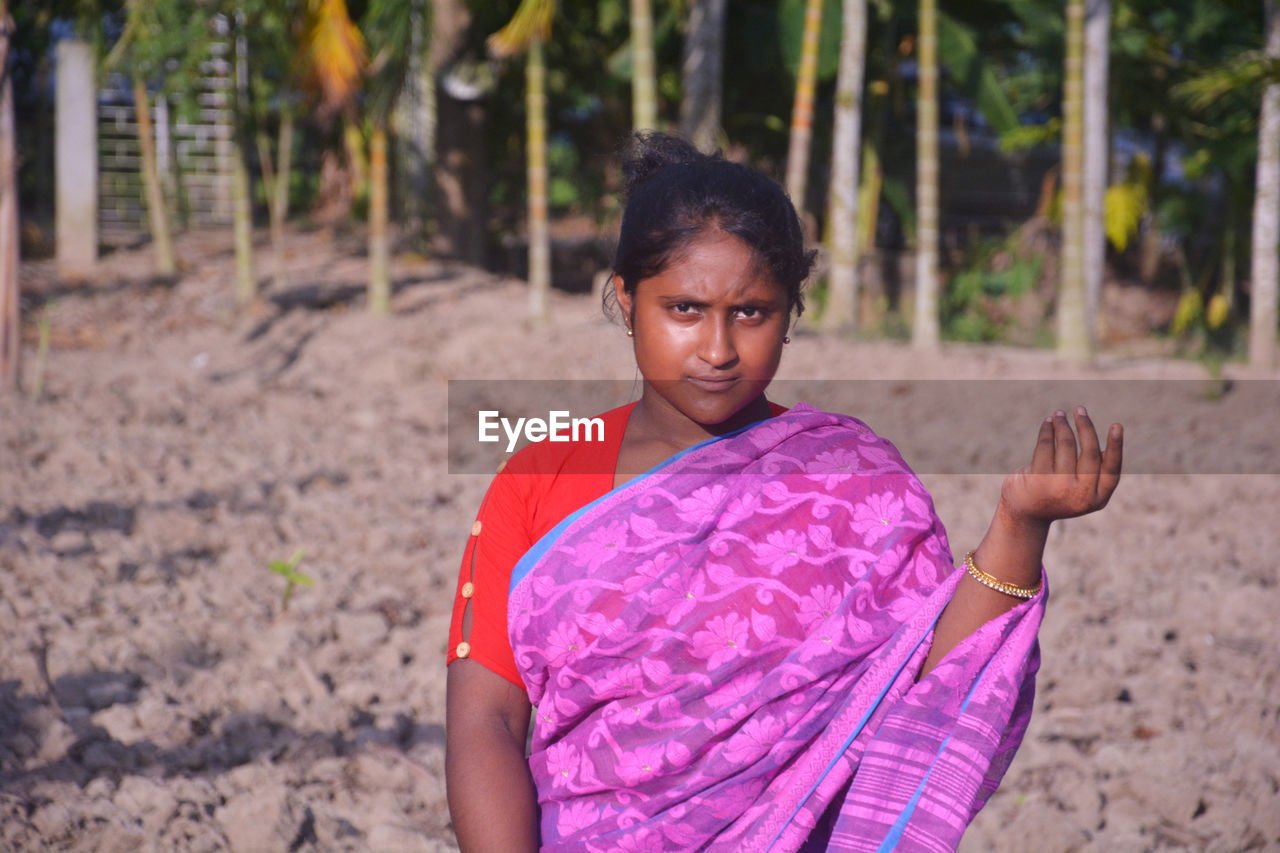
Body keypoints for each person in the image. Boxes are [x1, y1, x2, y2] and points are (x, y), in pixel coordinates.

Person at [445, 132, 1123, 852]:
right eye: (683, 309)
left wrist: (1020, 526)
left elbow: (922, 685)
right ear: (625, 299)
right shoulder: (541, 479)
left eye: (751, 312)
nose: (716, 348)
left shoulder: (854, 480)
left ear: (791, 312)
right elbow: (485, 719)